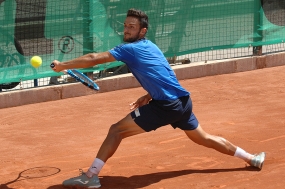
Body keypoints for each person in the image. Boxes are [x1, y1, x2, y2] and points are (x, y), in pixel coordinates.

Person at [51, 8, 265, 189]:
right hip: (182, 102)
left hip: (167, 105)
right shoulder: (150, 45)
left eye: (131, 27)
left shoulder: (129, 49)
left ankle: (90, 177)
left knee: (116, 130)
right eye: (125, 25)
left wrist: (63, 65)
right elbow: (164, 74)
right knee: (204, 138)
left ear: (142, 31)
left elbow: (94, 58)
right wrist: (149, 94)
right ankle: (251, 158)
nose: (126, 29)